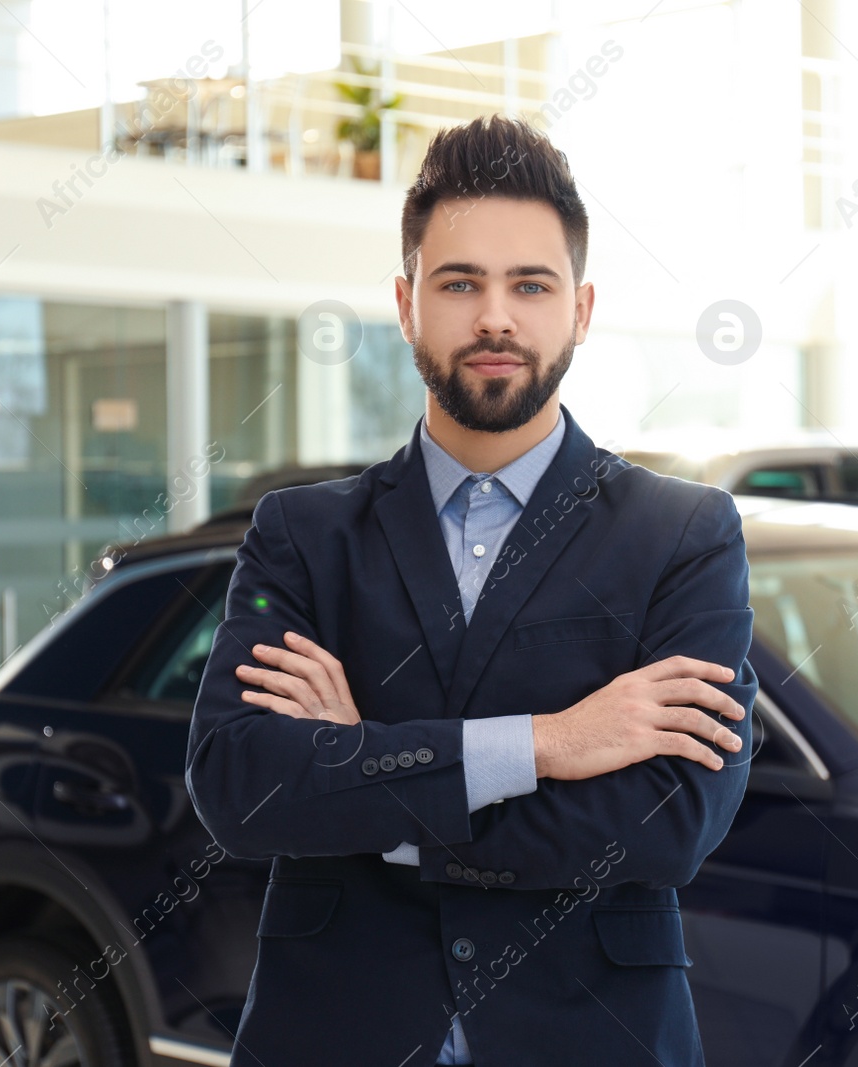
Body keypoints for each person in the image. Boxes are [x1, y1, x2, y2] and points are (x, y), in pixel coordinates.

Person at [185, 113, 757, 1066]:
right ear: (408, 305)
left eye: (530, 285)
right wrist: (554, 741)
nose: (496, 316)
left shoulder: (683, 534)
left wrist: (366, 771)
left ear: (579, 309)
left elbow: (669, 820)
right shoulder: (304, 535)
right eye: (461, 284)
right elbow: (243, 786)